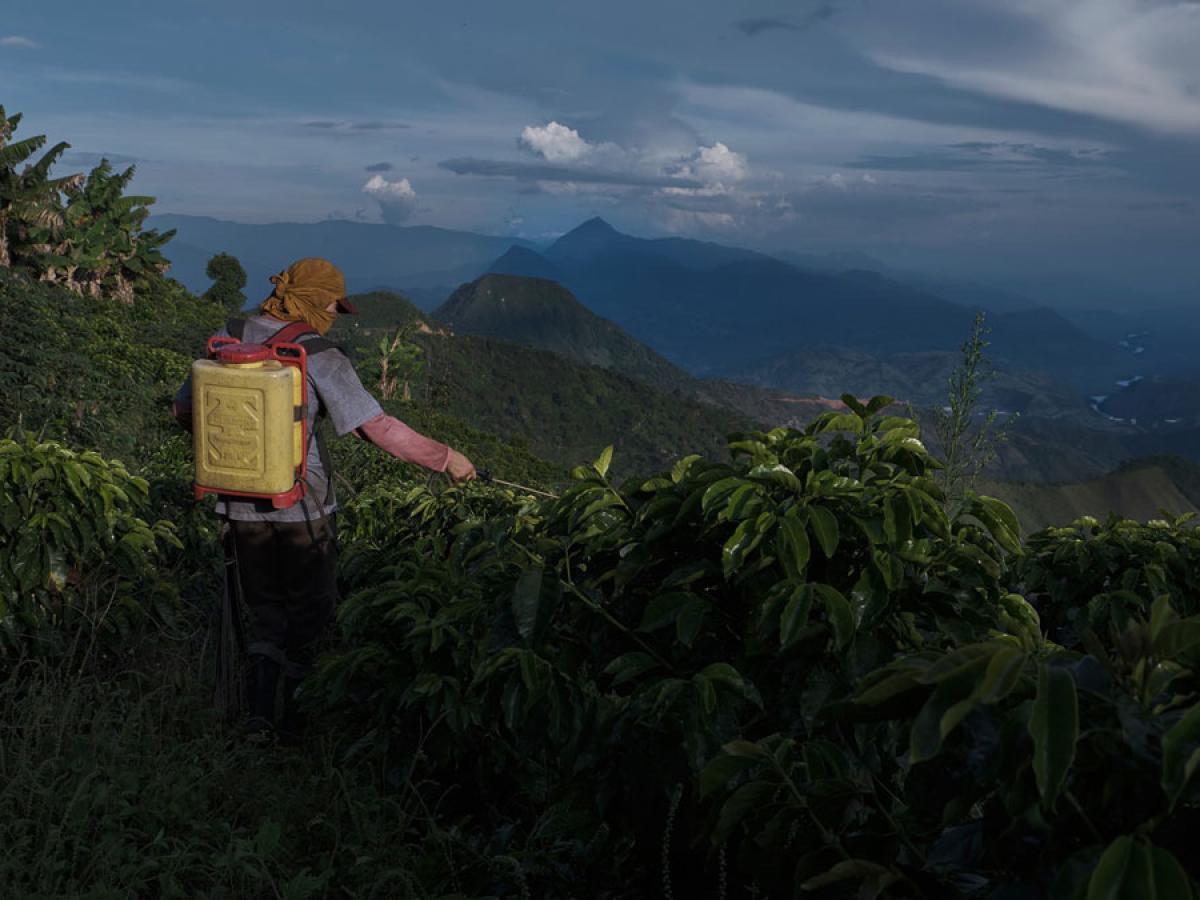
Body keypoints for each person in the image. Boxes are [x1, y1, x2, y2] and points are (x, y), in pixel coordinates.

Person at [173, 257, 475, 739]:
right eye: (333, 303)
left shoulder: (228, 333)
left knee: (265, 612)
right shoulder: (318, 352)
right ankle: (296, 724)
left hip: (236, 505)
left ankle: (256, 717)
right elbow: (377, 428)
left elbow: (184, 408)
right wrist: (446, 458)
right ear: (315, 299)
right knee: (309, 614)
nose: (335, 312)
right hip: (303, 510)